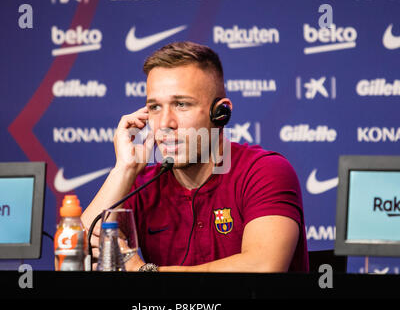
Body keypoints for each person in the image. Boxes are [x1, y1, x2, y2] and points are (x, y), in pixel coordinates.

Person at [81, 41, 309, 272]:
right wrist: (124, 170)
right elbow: (78, 258)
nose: (165, 124)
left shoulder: (264, 171)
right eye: (155, 107)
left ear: (220, 113)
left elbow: (263, 267)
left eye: (181, 104)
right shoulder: (143, 183)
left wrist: (146, 272)